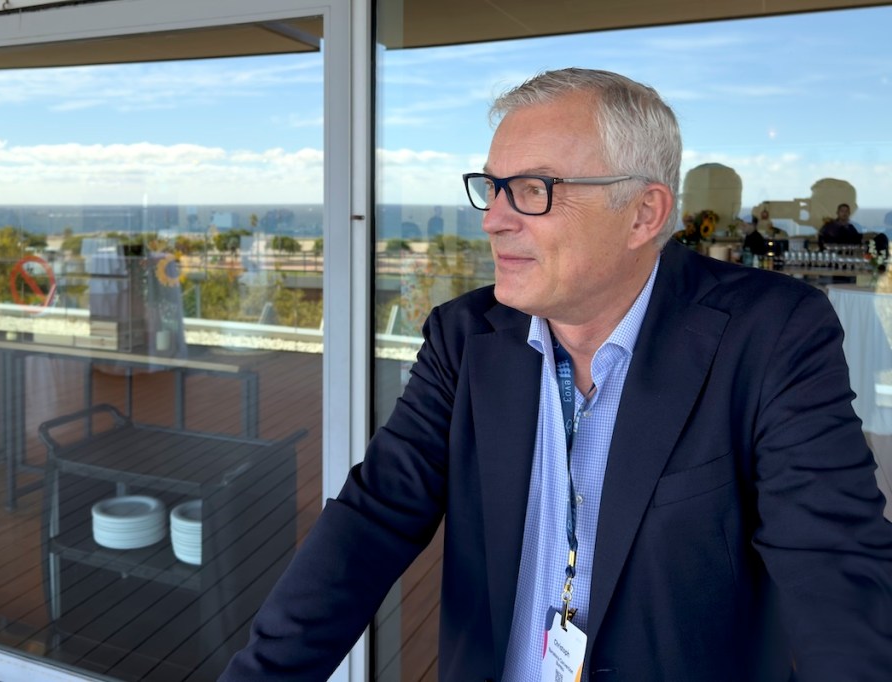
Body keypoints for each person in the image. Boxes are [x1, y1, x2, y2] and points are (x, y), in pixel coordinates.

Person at [221, 68, 892, 681]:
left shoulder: (769, 334)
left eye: (533, 190)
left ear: (643, 214)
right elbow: (371, 521)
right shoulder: (465, 337)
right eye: (492, 187)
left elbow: (835, 565)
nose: (492, 220)